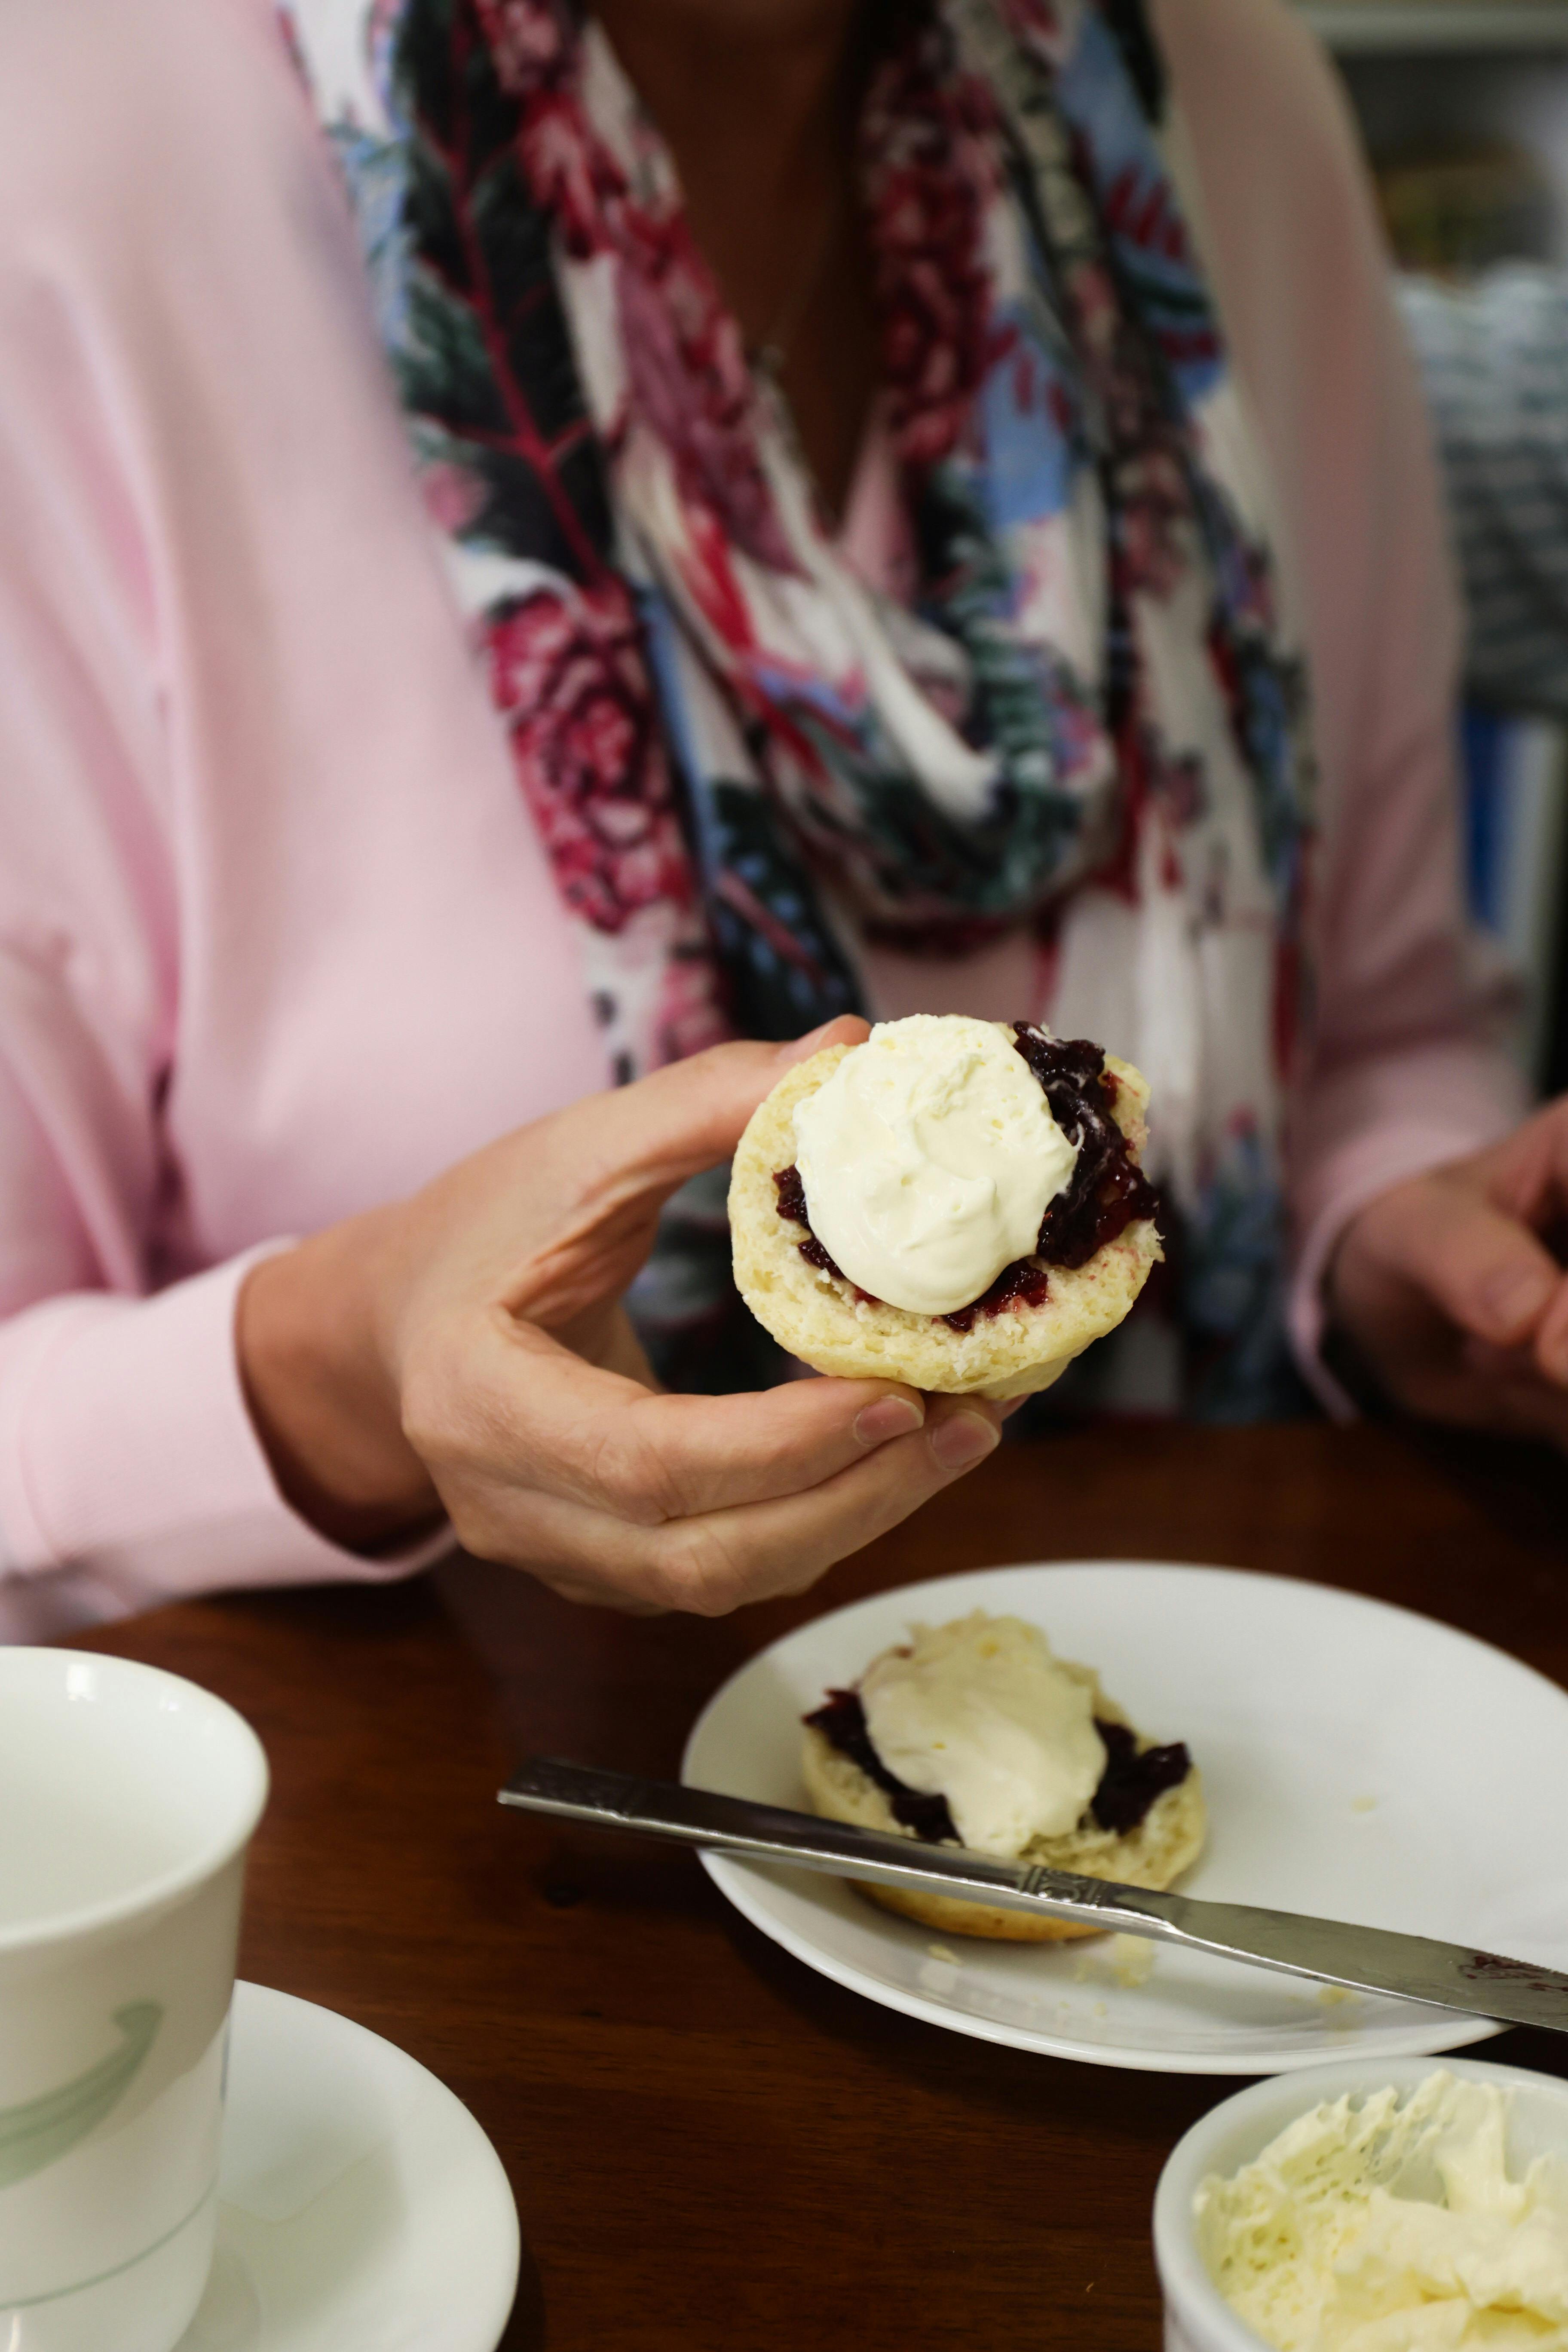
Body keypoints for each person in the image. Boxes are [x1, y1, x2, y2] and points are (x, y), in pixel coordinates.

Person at [1, 0, 1564, 1646]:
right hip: (434, 1807)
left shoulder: (1220, 96)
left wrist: (1403, 1243)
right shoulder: (69, 153)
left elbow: (1385, 1024)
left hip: (1212, 1696)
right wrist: (351, 1363)